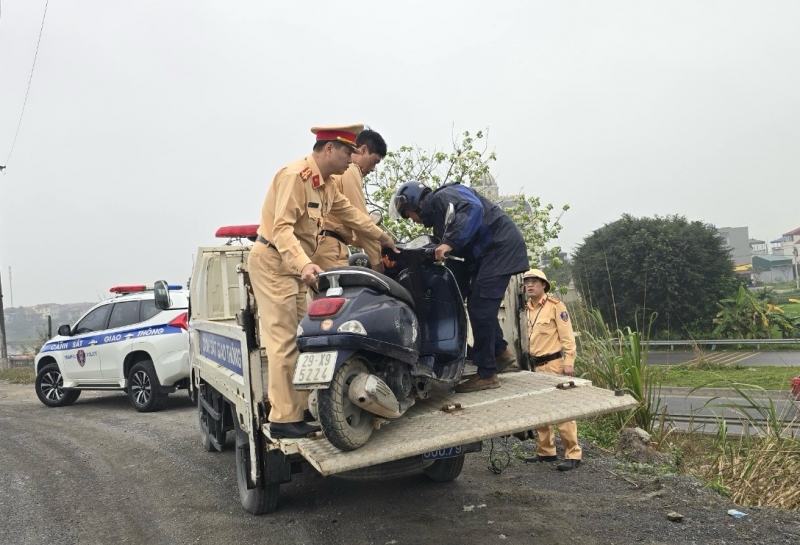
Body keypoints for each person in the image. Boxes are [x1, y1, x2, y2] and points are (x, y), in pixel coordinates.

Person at [249, 124, 398, 439]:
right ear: (329, 149)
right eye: (347, 152)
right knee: (284, 342)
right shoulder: (295, 177)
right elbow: (282, 229)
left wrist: (382, 236)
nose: (352, 159)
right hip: (275, 261)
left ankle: (300, 412)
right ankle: (283, 419)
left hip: (294, 265)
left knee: (304, 339)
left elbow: (352, 215)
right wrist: (304, 264)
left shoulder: (326, 184)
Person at [389, 180, 529, 393]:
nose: (414, 221)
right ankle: (500, 353)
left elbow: (473, 208)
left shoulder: (444, 196)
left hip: (499, 247)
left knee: (480, 307)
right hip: (488, 253)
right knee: (473, 302)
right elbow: (454, 263)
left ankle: (487, 374)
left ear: (416, 203)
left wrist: (449, 242)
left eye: (410, 214)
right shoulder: (440, 219)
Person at [520, 268, 582, 471]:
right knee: (540, 410)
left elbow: (567, 337)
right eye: (527, 281)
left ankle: (573, 454)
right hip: (533, 366)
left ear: (543, 285)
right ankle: (546, 451)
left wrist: (569, 362)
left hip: (554, 364)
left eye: (534, 282)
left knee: (562, 410)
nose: (529, 285)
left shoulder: (556, 306)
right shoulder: (524, 309)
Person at [312, 129, 387, 271]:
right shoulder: (352, 170)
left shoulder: (328, 177)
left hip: (310, 245)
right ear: (363, 150)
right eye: (374, 161)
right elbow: (359, 220)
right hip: (330, 248)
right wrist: (378, 264)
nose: (373, 169)